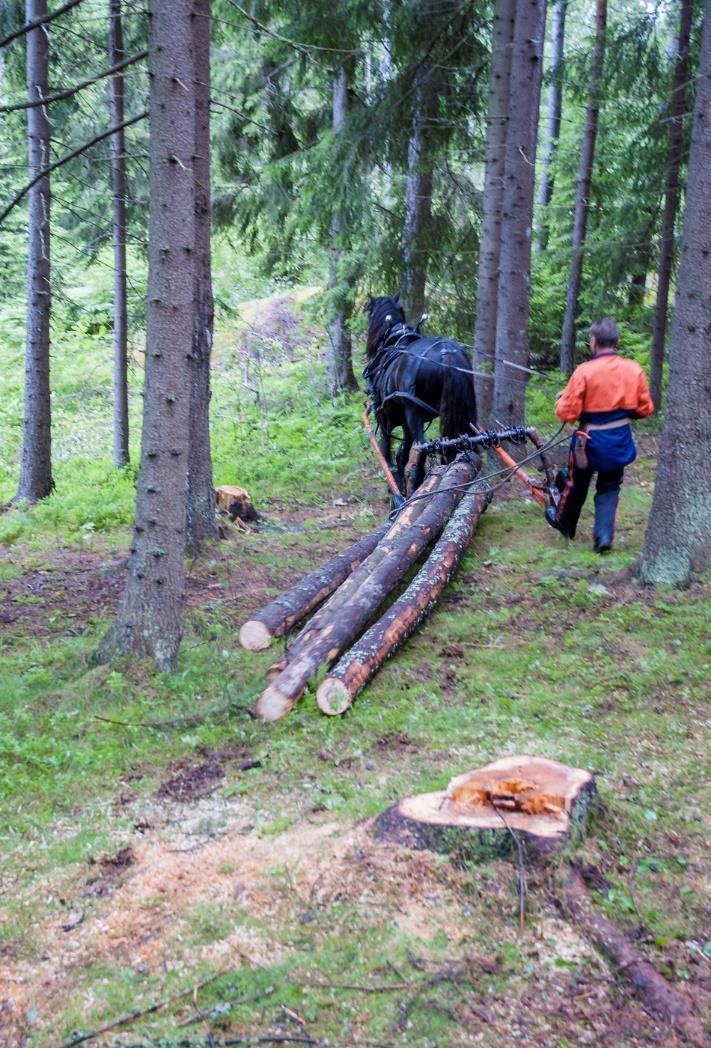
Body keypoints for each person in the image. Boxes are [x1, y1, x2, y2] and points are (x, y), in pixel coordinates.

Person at [546, 318, 654, 553]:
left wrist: (561, 401)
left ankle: (565, 525)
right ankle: (603, 538)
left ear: (593, 342)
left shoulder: (584, 372)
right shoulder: (633, 370)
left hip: (589, 443)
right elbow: (645, 409)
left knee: (577, 483)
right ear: (616, 342)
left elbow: (567, 413)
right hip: (618, 441)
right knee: (610, 486)